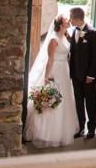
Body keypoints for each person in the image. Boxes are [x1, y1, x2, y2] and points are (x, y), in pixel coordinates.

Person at [24, 14, 79, 148]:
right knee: (54, 97)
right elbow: (50, 59)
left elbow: (68, 56)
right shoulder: (53, 39)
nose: (69, 20)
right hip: (56, 70)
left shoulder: (66, 36)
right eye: (66, 19)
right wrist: (46, 77)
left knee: (65, 98)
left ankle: (63, 130)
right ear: (61, 24)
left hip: (64, 70)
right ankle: (46, 132)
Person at [68, 7, 96, 139]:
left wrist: (91, 75)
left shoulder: (93, 33)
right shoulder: (73, 31)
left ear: (77, 19)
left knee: (90, 102)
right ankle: (80, 127)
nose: (70, 21)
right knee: (78, 101)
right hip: (76, 74)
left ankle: (91, 128)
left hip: (88, 76)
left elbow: (95, 56)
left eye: (71, 18)